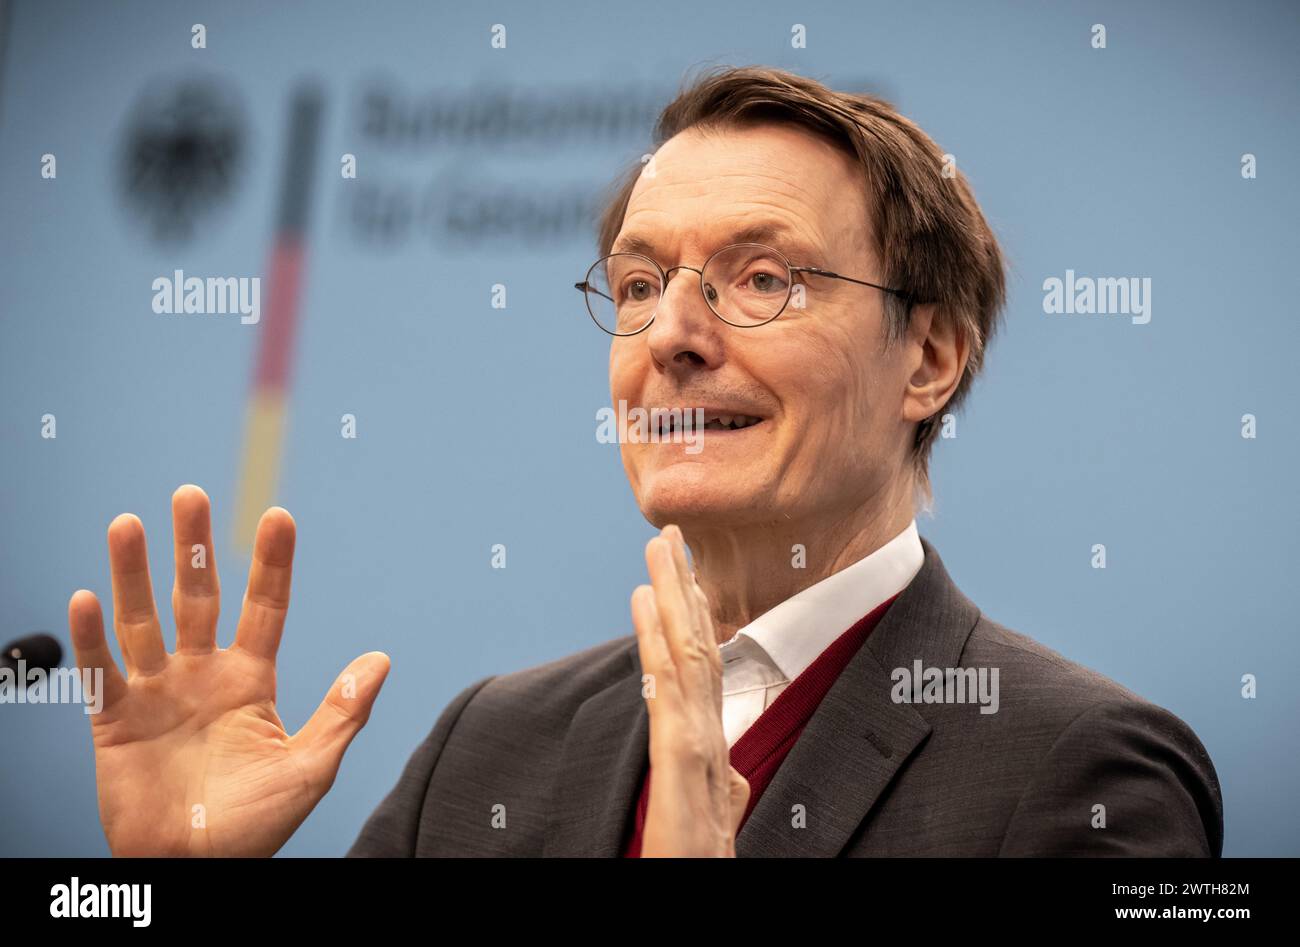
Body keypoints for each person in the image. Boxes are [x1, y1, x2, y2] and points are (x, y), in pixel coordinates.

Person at [67, 66, 1222, 857]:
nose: (670, 334)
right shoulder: (488, 746)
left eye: (762, 277)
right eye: (636, 285)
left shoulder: (1087, 770)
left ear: (927, 357)